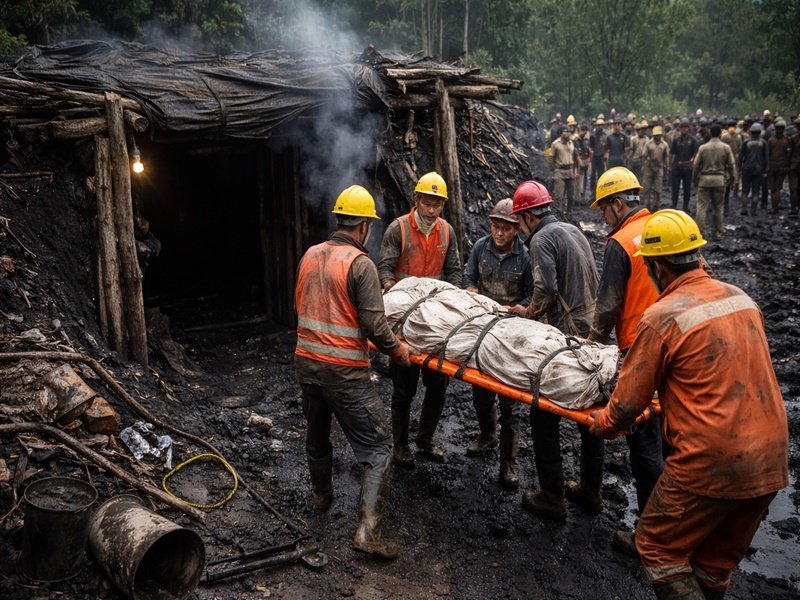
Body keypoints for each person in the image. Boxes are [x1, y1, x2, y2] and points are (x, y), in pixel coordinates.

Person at [590, 209, 788, 600]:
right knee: (714, 561)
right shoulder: (742, 299)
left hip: (710, 458)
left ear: (657, 268)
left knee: (656, 547)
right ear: (697, 256)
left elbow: (628, 404)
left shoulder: (662, 317)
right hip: (771, 457)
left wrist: (603, 424)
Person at [295, 185, 412, 559]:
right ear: (364, 226)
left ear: (339, 220)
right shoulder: (360, 265)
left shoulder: (310, 255)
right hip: (344, 371)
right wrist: (399, 351)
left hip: (306, 364)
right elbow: (376, 325)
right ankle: (367, 534)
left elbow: (301, 305)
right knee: (378, 449)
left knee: (317, 435)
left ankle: (321, 497)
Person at [510, 180, 601, 522]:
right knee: (591, 413)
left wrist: (529, 312)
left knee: (542, 414)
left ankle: (552, 498)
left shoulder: (541, 239)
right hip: (594, 330)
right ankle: (591, 491)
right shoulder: (572, 229)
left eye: (518, 220)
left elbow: (546, 288)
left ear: (526, 217)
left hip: (570, 334)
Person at [587, 167, 664, 551]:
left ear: (618, 204)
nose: (604, 218)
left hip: (640, 347)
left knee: (643, 441)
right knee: (669, 434)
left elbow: (608, 306)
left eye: (604, 209)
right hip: (678, 342)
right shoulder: (663, 227)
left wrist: (592, 343)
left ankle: (650, 537)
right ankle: (674, 523)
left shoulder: (619, 243)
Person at [378, 171, 462, 467]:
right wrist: (391, 289)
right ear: (416, 200)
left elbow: (454, 271)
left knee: (438, 386)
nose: (431, 210)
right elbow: (385, 268)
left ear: (443, 205)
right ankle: (400, 445)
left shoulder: (447, 232)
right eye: (427, 203)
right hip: (405, 323)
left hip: (436, 322)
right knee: (404, 388)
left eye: (437, 205)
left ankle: (425, 439)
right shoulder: (398, 229)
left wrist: (452, 300)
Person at [462, 198, 532, 489]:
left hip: (511, 336)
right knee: (481, 394)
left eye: (505, 228)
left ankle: (508, 463)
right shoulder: (480, 247)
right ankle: (487, 436)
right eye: (495, 226)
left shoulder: (525, 257)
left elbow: (533, 294)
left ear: (516, 229)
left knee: (509, 403)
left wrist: (522, 308)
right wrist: (472, 292)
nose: (499, 233)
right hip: (483, 330)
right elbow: (468, 277)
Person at [692, 124, 736, 241]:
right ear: (720, 134)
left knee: (701, 207)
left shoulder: (703, 148)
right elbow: (731, 165)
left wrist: (694, 180)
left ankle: (700, 232)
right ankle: (716, 233)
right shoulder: (726, 148)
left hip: (704, 180)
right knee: (718, 208)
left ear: (710, 134)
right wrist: (733, 179)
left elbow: (696, 165)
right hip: (719, 180)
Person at [738, 122, 768, 216]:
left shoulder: (746, 142)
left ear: (751, 132)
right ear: (760, 132)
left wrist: (739, 168)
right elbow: (766, 158)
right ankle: (753, 210)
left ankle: (744, 209)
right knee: (756, 191)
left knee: (745, 190)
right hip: (758, 170)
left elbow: (740, 157)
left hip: (746, 168)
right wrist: (765, 170)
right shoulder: (763, 143)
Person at [669, 119, 699, 212]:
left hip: (687, 166)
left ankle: (685, 206)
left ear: (688, 128)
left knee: (687, 188)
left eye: (685, 127)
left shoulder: (693, 140)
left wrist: (692, 163)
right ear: (680, 128)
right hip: (677, 165)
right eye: (682, 127)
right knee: (675, 187)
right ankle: (674, 204)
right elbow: (671, 153)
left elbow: (695, 154)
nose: (684, 129)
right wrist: (670, 165)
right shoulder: (676, 140)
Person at [550, 125, 579, 213]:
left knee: (571, 196)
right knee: (559, 196)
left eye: (568, 131)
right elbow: (552, 159)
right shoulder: (555, 144)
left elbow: (575, 157)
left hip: (570, 171)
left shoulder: (571, 143)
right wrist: (553, 172)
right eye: (565, 131)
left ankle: (569, 213)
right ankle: (560, 213)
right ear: (561, 133)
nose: (567, 133)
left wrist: (576, 171)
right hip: (560, 171)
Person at [641, 126, 670, 211]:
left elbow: (666, 157)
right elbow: (644, 155)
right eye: (655, 135)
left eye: (658, 135)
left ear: (661, 135)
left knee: (658, 189)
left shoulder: (664, 145)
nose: (657, 137)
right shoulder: (648, 144)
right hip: (649, 167)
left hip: (659, 168)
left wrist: (666, 167)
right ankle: (646, 204)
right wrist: (644, 165)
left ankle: (656, 205)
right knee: (647, 187)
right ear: (653, 135)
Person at [767, 119, 791, 214]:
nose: (779, 130)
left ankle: (774, 206)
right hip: (777, 167)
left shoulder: (772, 140)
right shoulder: (786, 140)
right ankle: (775, 206)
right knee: (776, 188)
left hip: (777, 167)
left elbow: (768, 154)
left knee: (775, 188)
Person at [720, 119, 743, 216]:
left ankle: (721, 206)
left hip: (724, 162)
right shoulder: (738, 136)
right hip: (733, 162)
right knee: (729, 184)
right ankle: (726, 207)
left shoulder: (724, 136)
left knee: (722, 186)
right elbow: (739, 150)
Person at [589, 117, 608, 200]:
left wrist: (606, 154)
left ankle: (601, 191)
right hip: (594, 157)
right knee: (593, 175)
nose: (600, 127)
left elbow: (606, 146)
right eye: (598, 125)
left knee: (601, 175)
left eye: (601, 125)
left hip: (601, 157)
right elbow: (590, 146)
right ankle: (592, 193)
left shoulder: (605, 135)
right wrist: (591, 153)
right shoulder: (592, 135)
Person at [575, 123, 592, 204]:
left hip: (585, 160)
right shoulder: (576, 140)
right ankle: (578, 199)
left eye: (585, 131)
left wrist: (589, 159)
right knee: (579, 181)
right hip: (579, 160)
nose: (584, 132)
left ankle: (582, 198)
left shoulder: (586, 140)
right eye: (583, 130)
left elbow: (589, 150)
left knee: (585, 180)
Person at [789, 115, 800, 218]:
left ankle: (794, 208)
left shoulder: (793, 138)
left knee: (793, 188)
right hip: (794, 165)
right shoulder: (793, 138)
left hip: (794, 165)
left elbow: (790, 153)